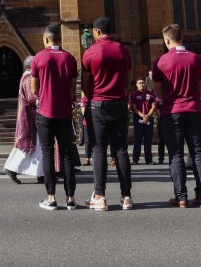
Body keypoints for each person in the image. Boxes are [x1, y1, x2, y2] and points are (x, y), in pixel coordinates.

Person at [152, 24, 201, 208]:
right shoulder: (197, 59)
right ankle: (200, 196)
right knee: (198, 153)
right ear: (181, 38)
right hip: (193, 110)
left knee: (176, 155)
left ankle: (181, 196)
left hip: (172, 112)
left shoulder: (161, 61)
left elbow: (158, 93)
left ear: (167, 40)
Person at [82, 16, 133, 211]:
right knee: (120, 150)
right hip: (119, 102)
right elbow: (127, 79)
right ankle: (126, 196)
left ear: (96, 32)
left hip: (98, 104)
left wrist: (92, 96)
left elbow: (86, 83)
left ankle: (100, 195)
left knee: (99, 150)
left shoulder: (91, 52)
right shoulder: (123, 50)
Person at [31, 24, 78, 211]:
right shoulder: (70, 59)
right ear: (60, 39)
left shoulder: (39, 58)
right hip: (64, 112)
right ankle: (71, 198)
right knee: (67, 154)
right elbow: (73, 88)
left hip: (45, 112)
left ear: (45, 39)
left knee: (48, 154)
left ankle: (51, 198)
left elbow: (35, 89)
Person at [4, 56, 43, 184]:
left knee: (38, 146)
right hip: (30, 117)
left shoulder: (26, 77)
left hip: (31, 116)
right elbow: (33, 98)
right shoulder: (28, 78)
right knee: (27, 146)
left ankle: (41, 174)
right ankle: (12, 168)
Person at [129, 78, 157, 165]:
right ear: (137, 85)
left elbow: (154, 106)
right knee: (138, 140)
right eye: (140, 83)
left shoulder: (151, 94)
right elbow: (133, 108)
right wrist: (143, 116)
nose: (142, 84)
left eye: (143, 83)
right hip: (138, 119)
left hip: (149, 119)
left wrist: (148, 116)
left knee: (148, 140)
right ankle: (135, 160)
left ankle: (149, 160)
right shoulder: (133, 95)